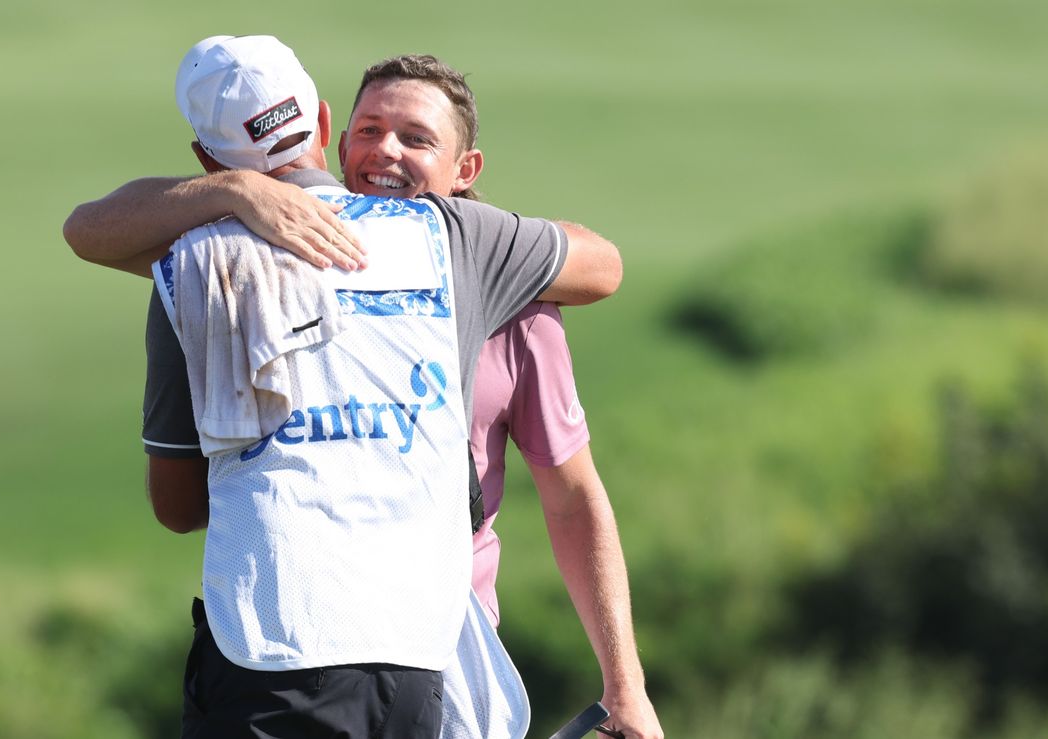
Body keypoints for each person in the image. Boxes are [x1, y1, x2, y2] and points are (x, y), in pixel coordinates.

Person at [66, 47, 662, 739]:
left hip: (429, 645)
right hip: (383, 658)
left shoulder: (207, 260)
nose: (386, 151)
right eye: (371, 130)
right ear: (331, 132)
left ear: (466, 172)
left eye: (417, 139)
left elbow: (573, 493)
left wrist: (626, 684)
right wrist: (239, 194)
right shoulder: (241, 248)